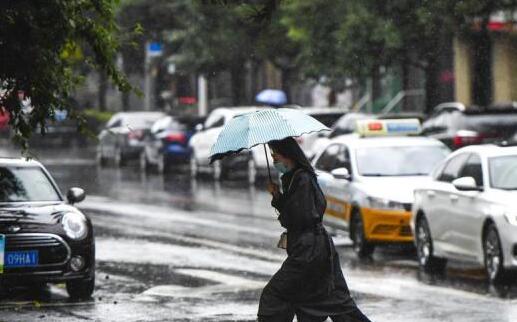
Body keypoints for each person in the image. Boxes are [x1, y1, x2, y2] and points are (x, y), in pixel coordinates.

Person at [258, 137, 372, 322]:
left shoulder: (302, 179)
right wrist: (278, 195)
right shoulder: (295, 178)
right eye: (272, 156)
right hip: (314, 250)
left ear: (288, 155)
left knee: (274, 296)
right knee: (328, 303)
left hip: (309, 253)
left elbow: (299, 217)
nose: (274, 160)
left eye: (276, 155)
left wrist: (279, 199)